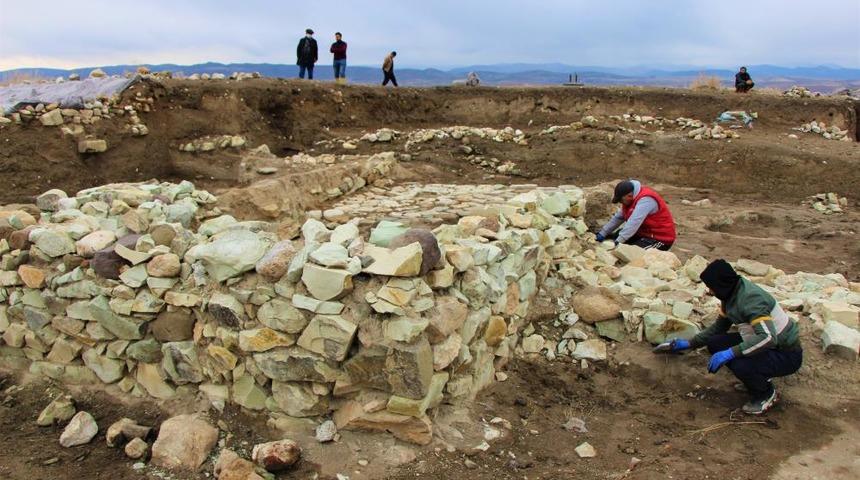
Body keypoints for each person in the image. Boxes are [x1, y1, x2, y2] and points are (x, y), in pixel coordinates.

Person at [663, 260, 802, 415]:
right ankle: (754, 380)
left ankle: (766, 394)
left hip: (785, 353)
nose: (709, 291)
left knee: (739, 364)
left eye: (711, 287)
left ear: (721, 284)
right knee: (715, 343)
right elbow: (719, 328)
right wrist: (690, 343)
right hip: (763, 344)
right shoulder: (730, 295)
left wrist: (731, 353)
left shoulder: (750, 300)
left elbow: (768, 338)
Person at [595, 179, 676, 250]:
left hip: (660, 239)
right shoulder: (629, 200)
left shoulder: (646, 200)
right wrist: (602, 233)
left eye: (621, 200)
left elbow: (634, 222)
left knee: (633, 254)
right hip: (643, 234)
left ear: (629, 196)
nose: (621, 203)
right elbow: (618, 218)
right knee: (615, 236)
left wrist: (618, 242)